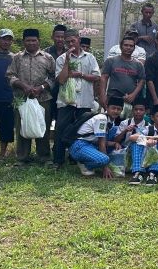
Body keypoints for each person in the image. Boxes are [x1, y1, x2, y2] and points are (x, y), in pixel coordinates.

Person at [53, 29, 101, 169]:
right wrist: (67, 60)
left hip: (85, 100)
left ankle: (77, 158)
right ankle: (58, 160)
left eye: (73, 41)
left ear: (79, 39)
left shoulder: (90, 57)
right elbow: (61, 80)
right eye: (67, 42)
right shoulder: (61, 59)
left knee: (82, 131)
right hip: (66, 101)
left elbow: (97, 76)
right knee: (61, 130)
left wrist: (81, 74)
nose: (70, 44)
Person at [7, 28, 55, 164]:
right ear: (23, 42)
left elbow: (53, 77)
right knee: (22, 126)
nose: (31, 43)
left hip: (43, 98)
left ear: (38, 41)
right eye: (28, 40)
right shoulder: (17, 58)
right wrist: (24, 86)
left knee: (43, 126)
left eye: (34, 40)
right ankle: (22, 157)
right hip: (21, 99)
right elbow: (10, 75)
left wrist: (41, 88)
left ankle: (44, 156)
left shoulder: (47, 58)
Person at [66, 97, 122, 178]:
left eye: (119, 109)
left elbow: (100, 141)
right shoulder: (102, 119)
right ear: (107, 107)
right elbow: (101, 143)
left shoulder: (111, 121)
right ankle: (84, 164)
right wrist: (105, 167)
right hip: (79, 145)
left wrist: (114, 143)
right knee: (104, 160)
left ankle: (92, 160)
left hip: (91, 144)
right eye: (113, 108)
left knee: (115, 130)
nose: (116, 111)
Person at [126, 103, 158, 186]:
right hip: (146, 161)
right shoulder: (148, 128)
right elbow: (132, 137)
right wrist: (148, 139)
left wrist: (154, 139)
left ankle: (153, 173)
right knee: (136, 142)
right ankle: (138, 172)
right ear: (152, 118)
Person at [99, 37, 145, 111]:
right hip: (113, 98)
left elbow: (142, 81)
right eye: (126, 45)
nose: (128, 48)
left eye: (131, 46)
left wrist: (133, 95)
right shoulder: (111, 61)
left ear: (134, 48)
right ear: (120, 46)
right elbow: (104, 78)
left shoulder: (138, 64)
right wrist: (102, 95)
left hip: (130, 101)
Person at [0, 28, 15, 159]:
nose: (6, 42)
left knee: (6, 125)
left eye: (9, 39)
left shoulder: (14, 58)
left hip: (8, 97)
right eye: (4, 39)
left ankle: (2, 152)